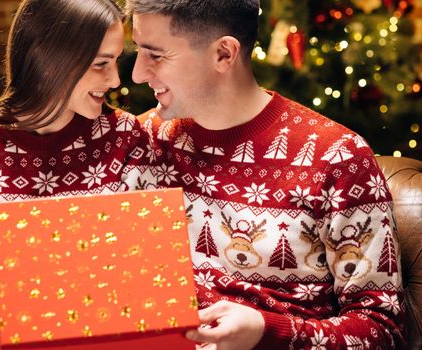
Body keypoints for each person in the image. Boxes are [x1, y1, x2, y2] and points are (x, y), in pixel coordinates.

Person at [126, 0, 407, 349]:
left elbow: (382, 330)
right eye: (138, 50)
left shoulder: (337, 157)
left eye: (155, 55)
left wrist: (266, 331)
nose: (137, 74)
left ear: (224, 54)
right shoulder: (145, 140)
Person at [0, 0, 155, 349]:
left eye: (115, 61)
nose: (115, 79)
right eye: (100, 64)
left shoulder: (125, 138)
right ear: (48, 59)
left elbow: (141, 271)